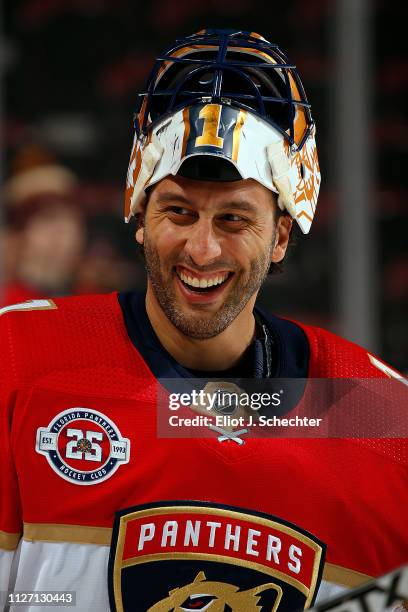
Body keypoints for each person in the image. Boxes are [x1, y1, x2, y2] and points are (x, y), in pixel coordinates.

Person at [0, 30, 407, 612]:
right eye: (178, 211)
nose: (203, 249)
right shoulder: (15, 360)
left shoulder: (382, 418)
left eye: (235, 219)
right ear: (140, 214)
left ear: (282, 236)